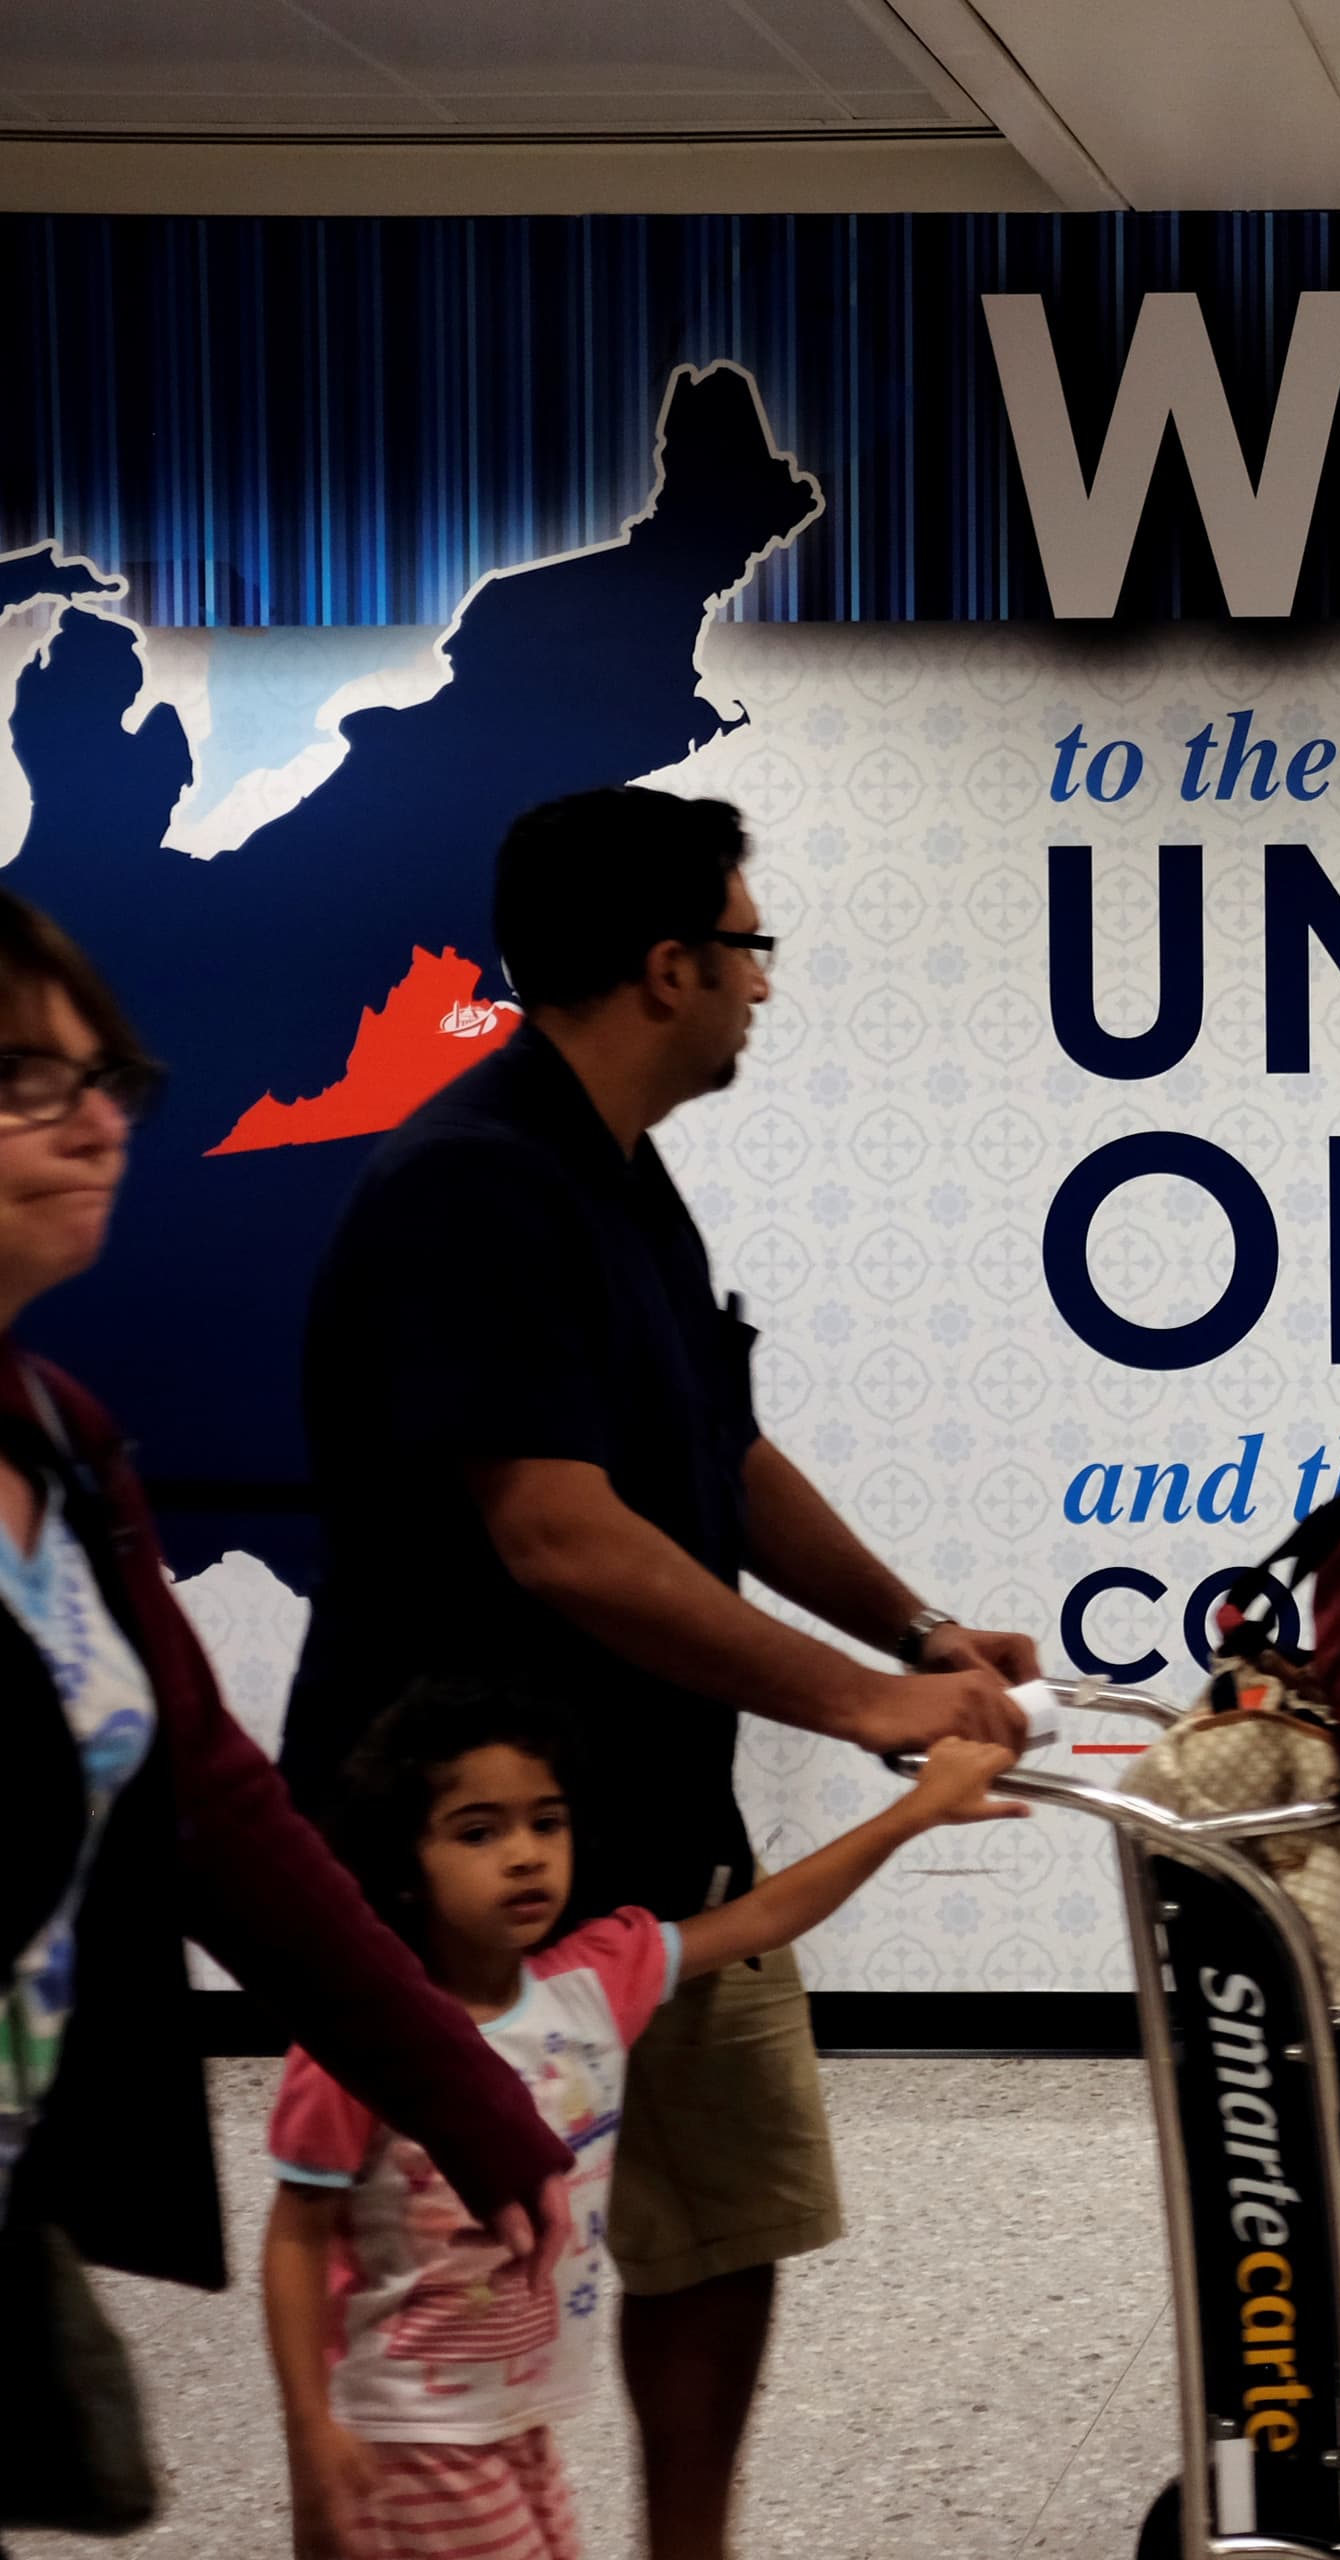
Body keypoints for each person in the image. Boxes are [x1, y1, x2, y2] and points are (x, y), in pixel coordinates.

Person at [277, 789, 1039, 2560]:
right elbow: (556, 1527)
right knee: (442, 2281)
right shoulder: (475, 1185)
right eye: (750, 948)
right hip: (476, 1846)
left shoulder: (622, 1182)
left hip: (658, 1811)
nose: (766, 988)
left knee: (728, 2207)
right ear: (669, 964)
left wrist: (914, 1635)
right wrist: (861, 1711)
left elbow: (721, 1453)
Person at [0, 891, 568, 2544]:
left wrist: (468, 2099)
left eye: (110, 1077)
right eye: (28, 1079)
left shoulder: (55, 1437)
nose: (101, 1123)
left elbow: (214, 1810)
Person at [268, 1685, 1021, 2560]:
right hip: (410, 2433)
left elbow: (766, 1914)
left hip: (522, 2416)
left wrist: (913, 1814)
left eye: (545, 1823)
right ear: (403, 1861)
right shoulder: (364, 2039)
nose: (524, 1856)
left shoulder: (591, 1983)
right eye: (478, 1832)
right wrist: (310, 2428)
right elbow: (296, 2235)